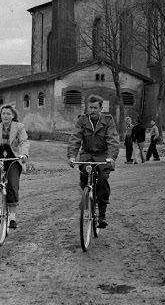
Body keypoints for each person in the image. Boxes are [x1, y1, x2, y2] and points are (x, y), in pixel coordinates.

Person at [67, 94, 119, 228]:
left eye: (95, 108)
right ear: (87, 108)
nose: (93, 110)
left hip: (103, 156)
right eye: (90, 107)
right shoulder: (82, 120)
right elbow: (75, 138)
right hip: (87, 155)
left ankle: (102, 215)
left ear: (101, 108)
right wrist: (72, 156)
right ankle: (87, 196)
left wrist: (111, 158)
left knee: (102, 180)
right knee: (85, 175)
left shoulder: (108, 120)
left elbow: (112, 139)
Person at [0, 105, 30, 229]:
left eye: (8, 114)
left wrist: (23, 154)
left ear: (13, 116)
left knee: (13, 185)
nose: (5, 116)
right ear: (0, 115)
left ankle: (12, 217)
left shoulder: (19, 127)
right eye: (3, 113)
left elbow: (24, 141)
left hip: (13, 157)